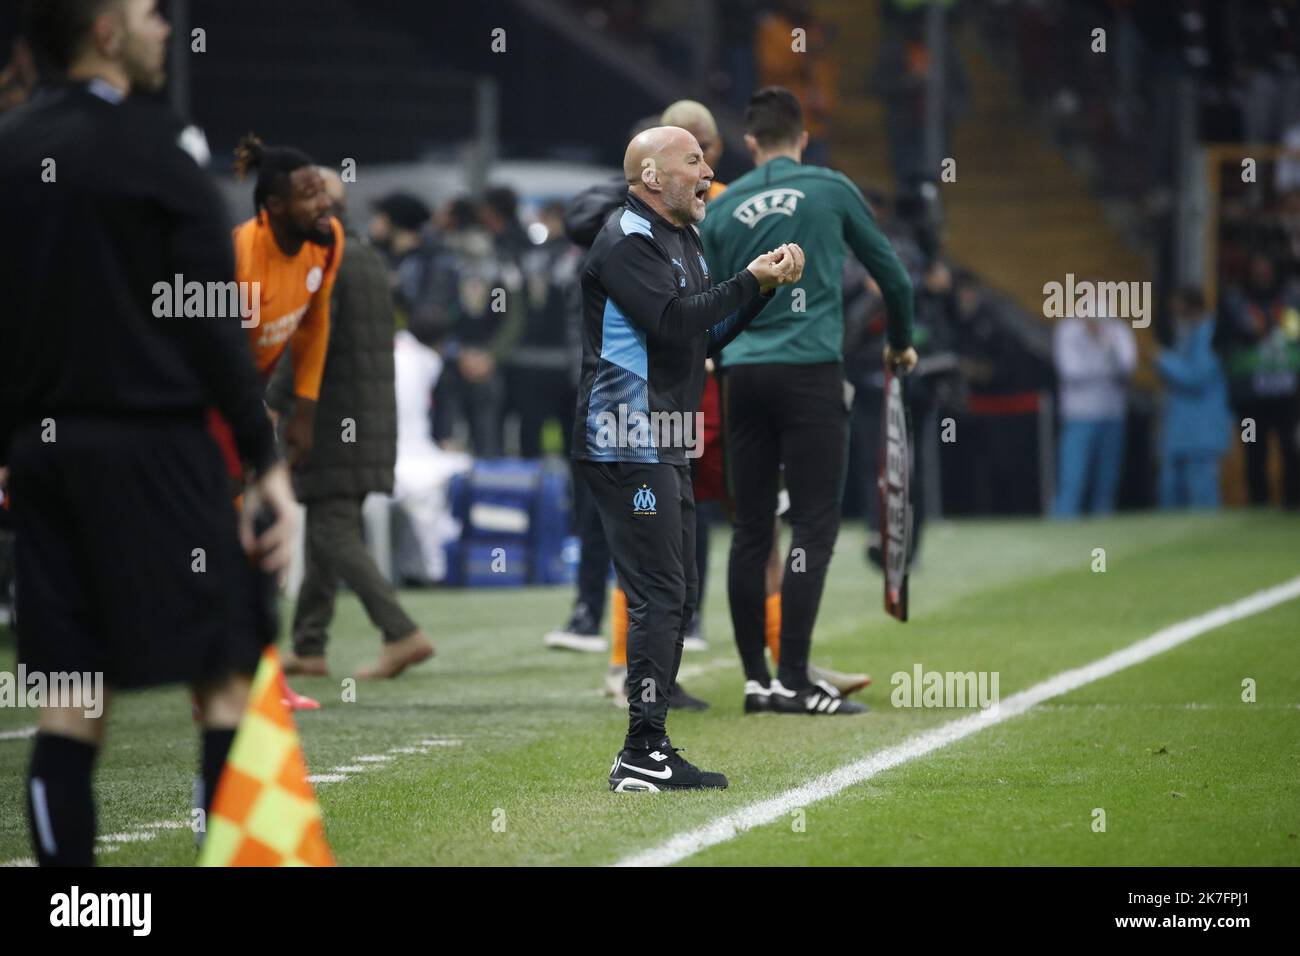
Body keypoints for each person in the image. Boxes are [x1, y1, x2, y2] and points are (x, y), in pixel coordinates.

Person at [0, 0, 296, 865]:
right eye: (146, 13)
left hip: (45, 459)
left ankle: (75, 908)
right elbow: (211, 319)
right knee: (225, 681)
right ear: (103, 31)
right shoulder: (156, 145)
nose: (165, 27)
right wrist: (260, 457)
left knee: (70, 698)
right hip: (158, 451)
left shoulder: (9, 149)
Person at [574, 125, 803, 791]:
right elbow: (672, 320)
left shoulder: (682, 236)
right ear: (651, 175)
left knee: (676, 590)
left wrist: (761, 288)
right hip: (625, 432)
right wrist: (747, 278)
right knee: (660, 591)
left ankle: (649, 748)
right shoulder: (627, 237)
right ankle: (642, 749)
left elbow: (704, 330)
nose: (708, 171)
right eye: (694, 160)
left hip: (664, 433)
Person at [700, 87, 915, 717]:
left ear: (748, 144)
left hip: (742, 376)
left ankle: (755, 681)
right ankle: (794, 677)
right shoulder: (830, 188)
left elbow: (710, 301)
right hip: (810, 372)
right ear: (803, 136)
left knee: (750, 529)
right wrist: (900, 344)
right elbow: (894, 278)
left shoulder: (723, 204)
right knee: (813, 525)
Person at [269, 169, 434, 679]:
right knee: (327, 527)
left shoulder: (321, 261)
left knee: (333, 530)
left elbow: (307, 342)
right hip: (364, 418)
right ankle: (310, 645)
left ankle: (401, 632)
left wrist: (274, 401)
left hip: (331, 417)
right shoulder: (364, 255)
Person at [1215, 252, 1300, 507]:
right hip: (1250, 399)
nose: (1261, 273)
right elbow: (1220, 343)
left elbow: (1293, 336)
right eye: (1256, 267)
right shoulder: (1234, 303)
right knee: (1254, 448)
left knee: (1291, 447)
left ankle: (1293, 500)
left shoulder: (1291, 301)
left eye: (1266, 267)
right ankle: (1258, 501)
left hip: (1287, 397)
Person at [1051, 298, 1137, 517]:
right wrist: (1104, 366)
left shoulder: (1117, 329)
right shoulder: (1067, 330)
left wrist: (1104, 344)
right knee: (1073, 479)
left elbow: (1127, 367)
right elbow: (1071, 372)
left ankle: (1103, 532)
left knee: (1106, 481)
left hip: (1112, 414)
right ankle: (1062, 526)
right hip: (1079, 415)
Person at [1157, 288, 1230, 508]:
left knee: (1202, 493)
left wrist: (1162, 359)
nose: (1176, 315)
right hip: (1181, 426)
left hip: (1202, 426)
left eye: (1179, 310)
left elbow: (1197, 377)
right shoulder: (1186, 336)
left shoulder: (1211, 335)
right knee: (1171, 491)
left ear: (1192, 307)